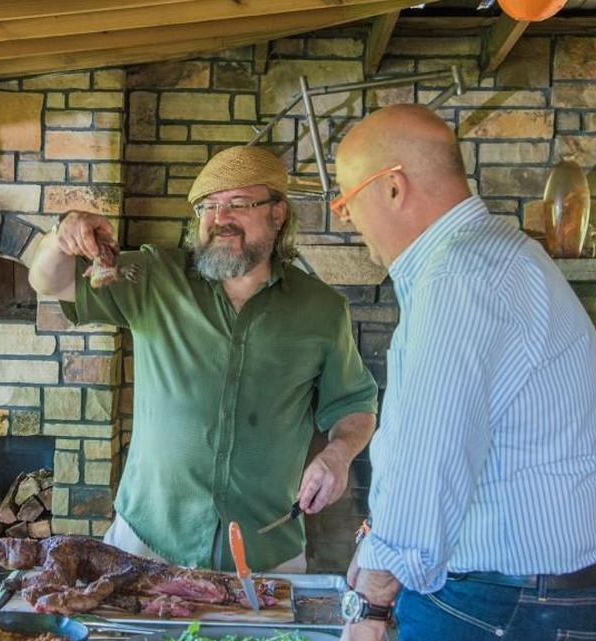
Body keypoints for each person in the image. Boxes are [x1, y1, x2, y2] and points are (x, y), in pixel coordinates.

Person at [334, 104, 596, 641]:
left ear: (393, 187)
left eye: (347, 201)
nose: (346, 219)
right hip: (536, 596)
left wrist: (370, 602)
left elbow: (430, 453)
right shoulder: (493, 258)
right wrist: (377, 539)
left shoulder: (460, 276)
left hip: (500, 604)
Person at [28, 146, 379, 572]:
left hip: (267, 551)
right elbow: (49, 281)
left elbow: (354, 404)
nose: (219, 217)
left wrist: (339, 453)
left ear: (278, 213)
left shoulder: (322, 309)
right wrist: (62, 235)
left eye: (238, 203)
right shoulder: (154, 277)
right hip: (146, 543)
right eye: (207, 206)